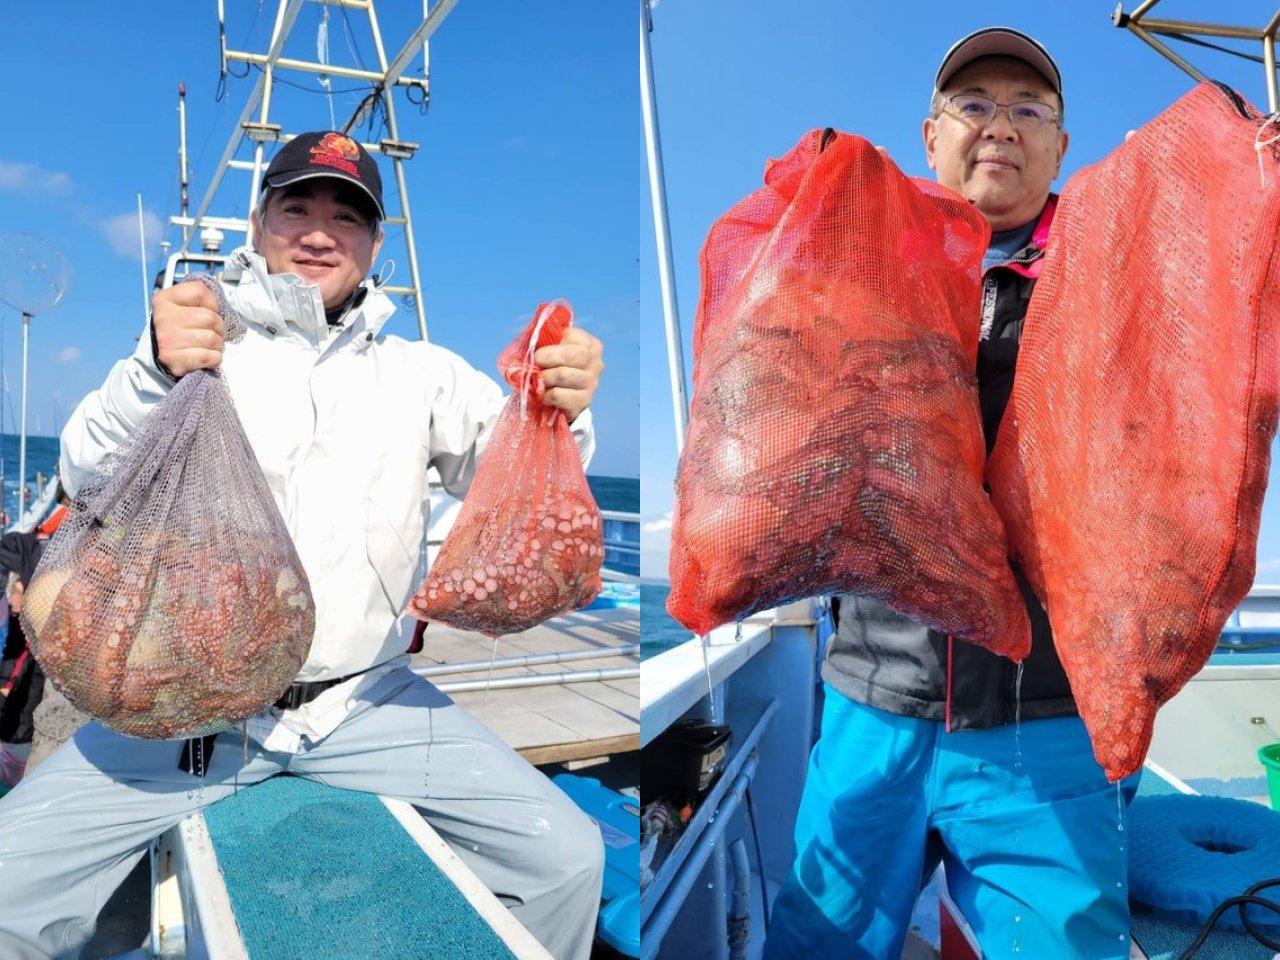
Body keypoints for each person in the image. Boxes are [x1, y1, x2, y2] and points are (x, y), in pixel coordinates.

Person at [0, 130, 607, 960]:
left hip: (369, 703)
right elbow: (85, 467)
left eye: (347, 214)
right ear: (258, 224)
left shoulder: (424, 373)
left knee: (566, 859)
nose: (321, 231)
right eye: (298, 206)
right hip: (186, 713)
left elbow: (522, 467)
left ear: (375, 243)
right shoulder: (197, 345)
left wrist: (559, 406)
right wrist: (151, 366)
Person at [763, 29, 1139, 960]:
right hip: (871, 702)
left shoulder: (1116, 275)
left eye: (1028, 109)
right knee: (819, 941)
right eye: (974, 105)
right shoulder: (864, 262)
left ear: (1060, 145)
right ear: (930, 136)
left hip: (1046, 717)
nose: (999, 126)